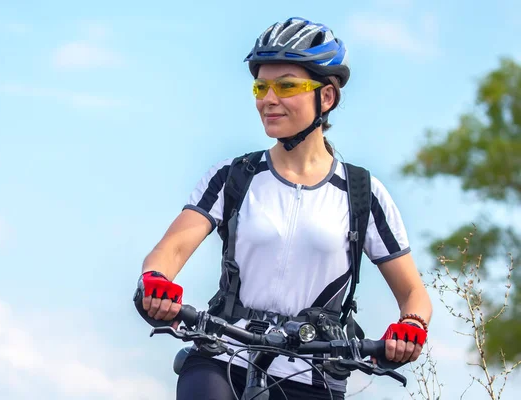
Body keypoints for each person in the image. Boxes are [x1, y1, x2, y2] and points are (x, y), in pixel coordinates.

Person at [134, 17, 433, 400]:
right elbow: (170, 250)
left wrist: (411, 325)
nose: (267, 99)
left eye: (286, 86)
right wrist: (156, 280)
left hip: (314, 371)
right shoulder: (232, 177)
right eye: (261, 87)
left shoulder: (363, 193)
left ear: (326, 97)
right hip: (224, 355)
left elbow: (413, 293)